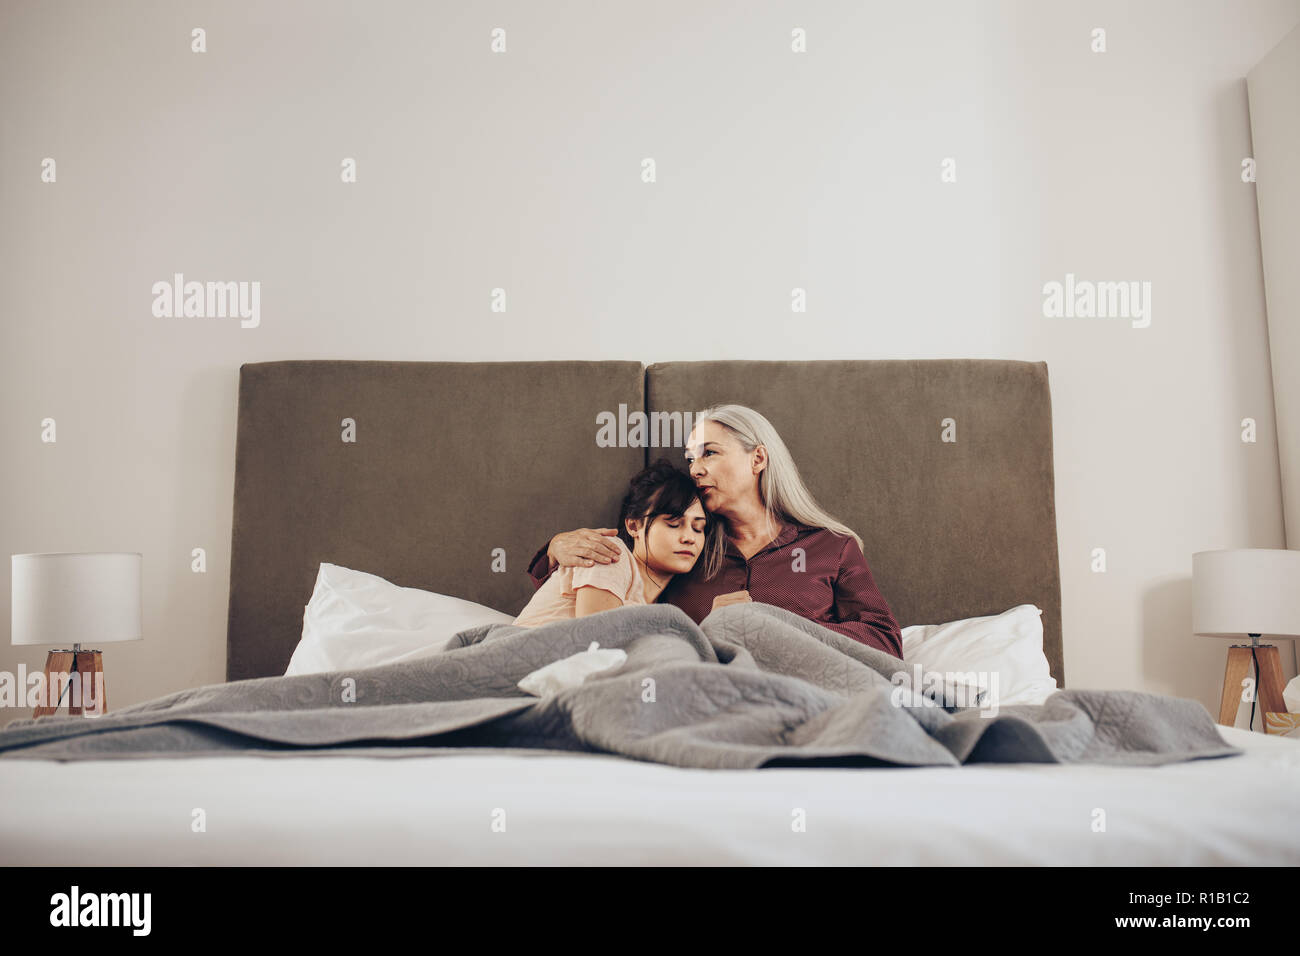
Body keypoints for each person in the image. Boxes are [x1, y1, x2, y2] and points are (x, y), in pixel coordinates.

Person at [525, 404, 903, 658]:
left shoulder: (830, 547)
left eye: (709, 453)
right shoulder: (687, 546)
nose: (695, 469)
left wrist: (772, 625)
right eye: (691, 459)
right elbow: (599, 586)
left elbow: (886, 642)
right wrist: (556, 549)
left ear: (757, 458)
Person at [513, 459, 719, 627]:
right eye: (674, 523)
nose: (689, 537)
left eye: (698, 528)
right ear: (633, 526)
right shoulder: (610, 552)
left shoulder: (658, 606)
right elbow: (597, 641)